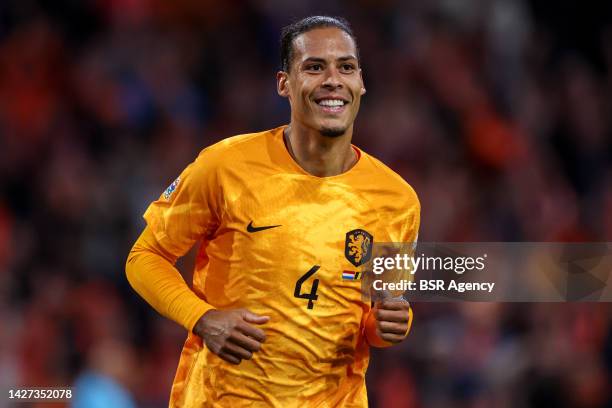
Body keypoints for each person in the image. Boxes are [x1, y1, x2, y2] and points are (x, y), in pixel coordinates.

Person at [126, 15, 420, 407]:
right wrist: (203, 317)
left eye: (346, 67)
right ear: (285, 84)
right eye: (314, 67)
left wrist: (392, 325)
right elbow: (144, 257)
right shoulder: (225, 166)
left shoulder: (397, 200)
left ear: (361, 83)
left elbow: (375, 317)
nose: (333, 79)